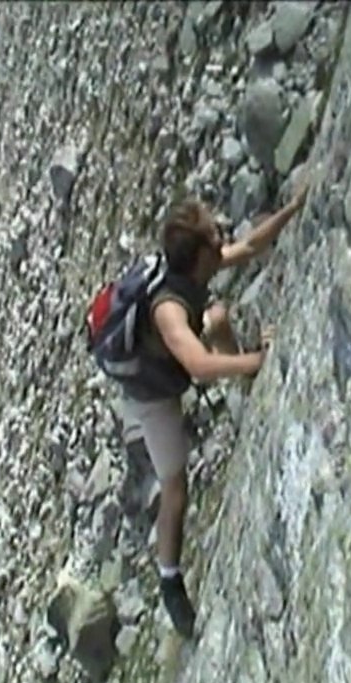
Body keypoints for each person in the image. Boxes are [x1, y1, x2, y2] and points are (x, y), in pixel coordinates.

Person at [121, 186, 308, 638]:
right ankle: (170, 582)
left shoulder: (193, 268)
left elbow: (251, 246)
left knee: (218, 318)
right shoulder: (169, 309)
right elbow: (199, 366)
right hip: (153, 393)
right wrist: (258, 360)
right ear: (201, 254)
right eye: (214, 233)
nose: (223, 232)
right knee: (176, 489)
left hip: (178, 358)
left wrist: (294, 207)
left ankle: (246, 386)